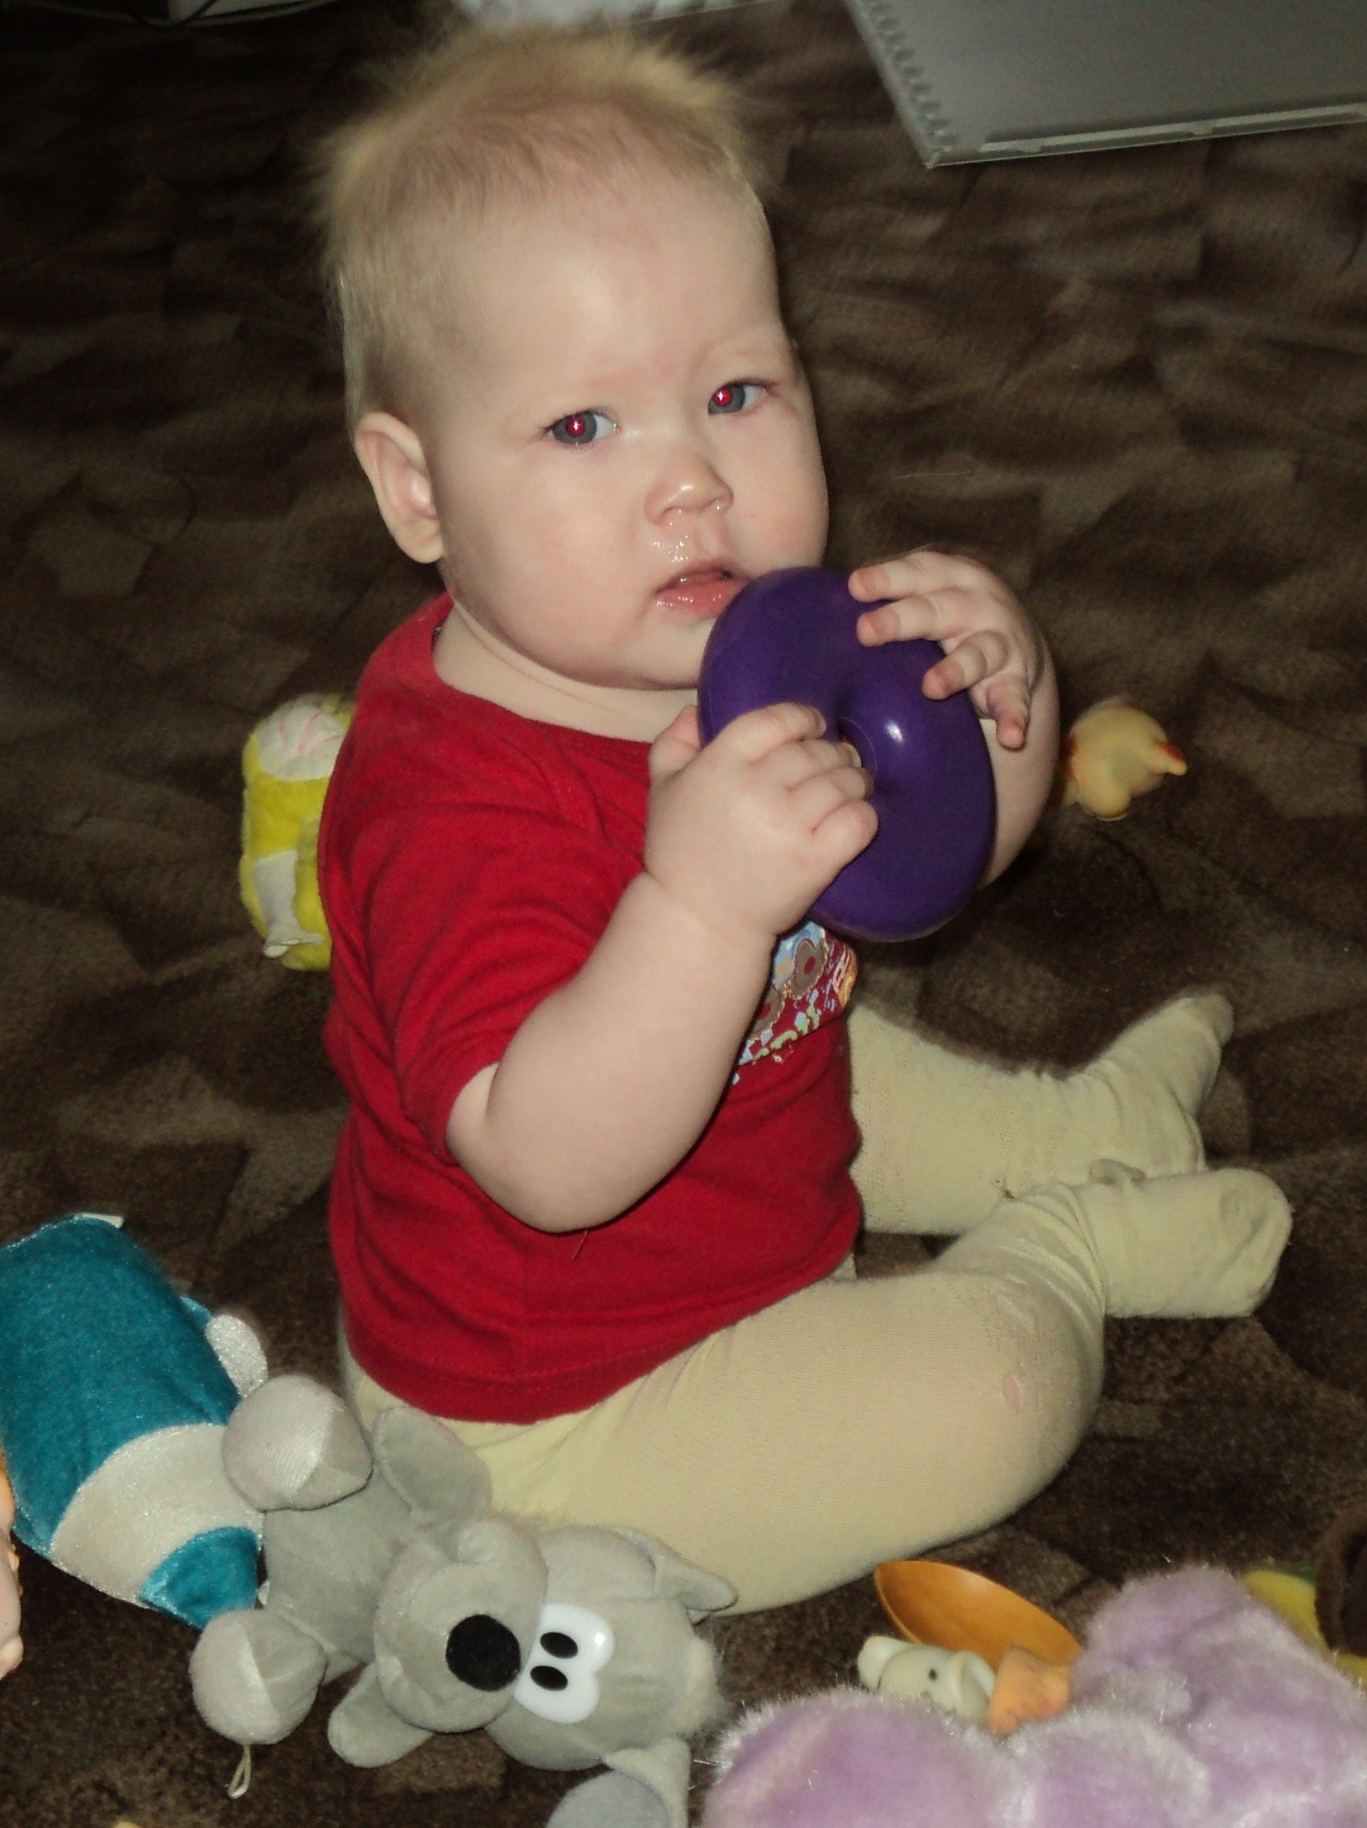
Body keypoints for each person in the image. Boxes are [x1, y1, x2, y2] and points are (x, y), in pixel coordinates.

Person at [313, 23, 1291, 1610]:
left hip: (757, 1141)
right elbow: (544, 1162)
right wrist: (702, 911)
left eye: (736, 392)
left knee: (832, 1034)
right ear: (417, 491)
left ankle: (1081, 1136)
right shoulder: (450, 804)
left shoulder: (757, 653)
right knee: (995, 1396)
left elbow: (928, 873)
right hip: (566, 1416)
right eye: (584, 426)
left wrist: (1006, 704)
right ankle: (1066, 1247)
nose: (693, 481)